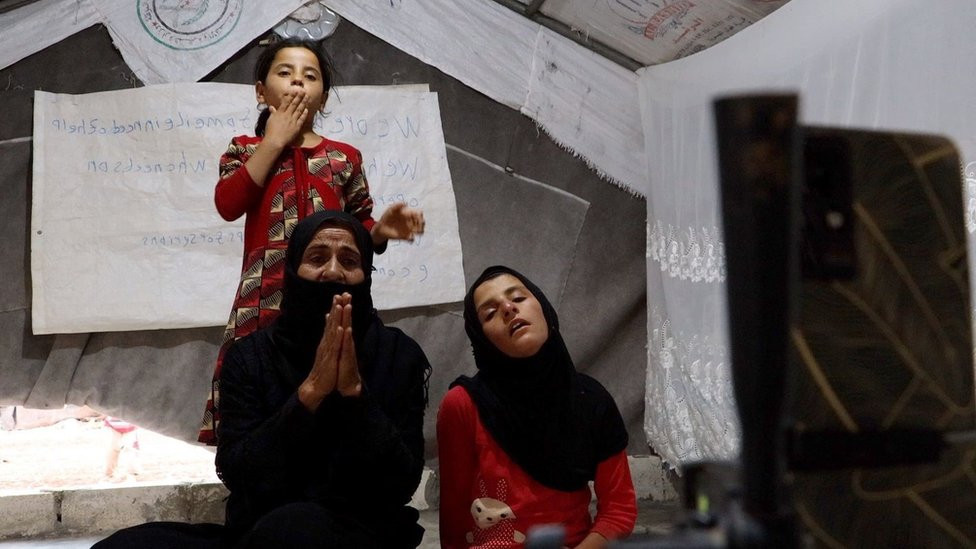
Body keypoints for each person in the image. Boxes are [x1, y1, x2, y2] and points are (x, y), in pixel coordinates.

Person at [94, 210, 430, 549]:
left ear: (366, 275)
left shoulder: (398, 356)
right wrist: (310, 393)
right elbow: (239, 472)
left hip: (365, 531)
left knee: (294, 530)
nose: (332, 271)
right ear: (293, 270)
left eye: (349, 261)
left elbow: (401, 482)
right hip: (257, 530)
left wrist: (355, 394)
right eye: (317, 258)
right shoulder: (251, 356)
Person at [199, 37, 424, 444]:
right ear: (261, 92)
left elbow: (360, 227)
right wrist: (274, 140)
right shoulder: (244, 149)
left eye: (310, 75)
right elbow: (228, 204)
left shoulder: (344, 157)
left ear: (323, 99)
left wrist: (380, 232)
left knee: (329, 391)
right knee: (257, 393)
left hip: (330, 297)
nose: (298, 82)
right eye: (285, 73)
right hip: (263, 295)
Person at [437, 266, 636, 549]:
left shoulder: (590, 399)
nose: (508, 308)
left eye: (518, 298)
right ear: (481, 339)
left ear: (544, 308)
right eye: (490, 313)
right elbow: (454, 524)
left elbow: (619, 509)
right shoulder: (462, 405)